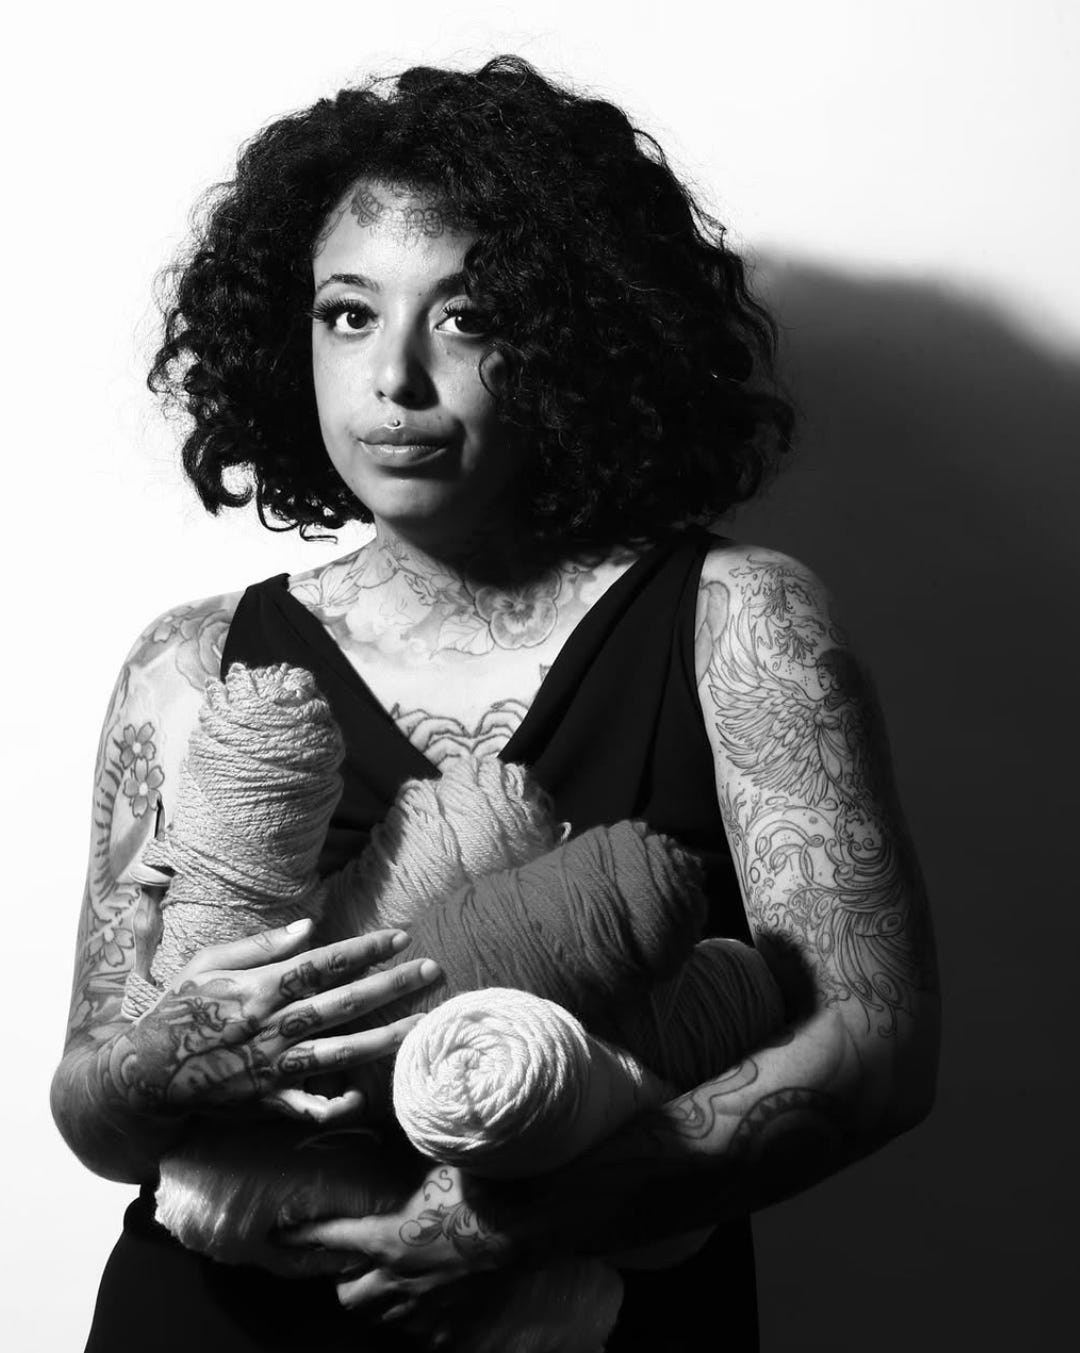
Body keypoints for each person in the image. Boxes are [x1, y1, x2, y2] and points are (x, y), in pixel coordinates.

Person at [49, 55, 940, 1351]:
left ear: (578, 338)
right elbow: (91, 1111)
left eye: (465, 317)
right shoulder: (189, 663)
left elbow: (878, 1044)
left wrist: (518, 1223)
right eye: (347, 315)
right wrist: (161, 1057)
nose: (395, 378)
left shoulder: (741, 619)